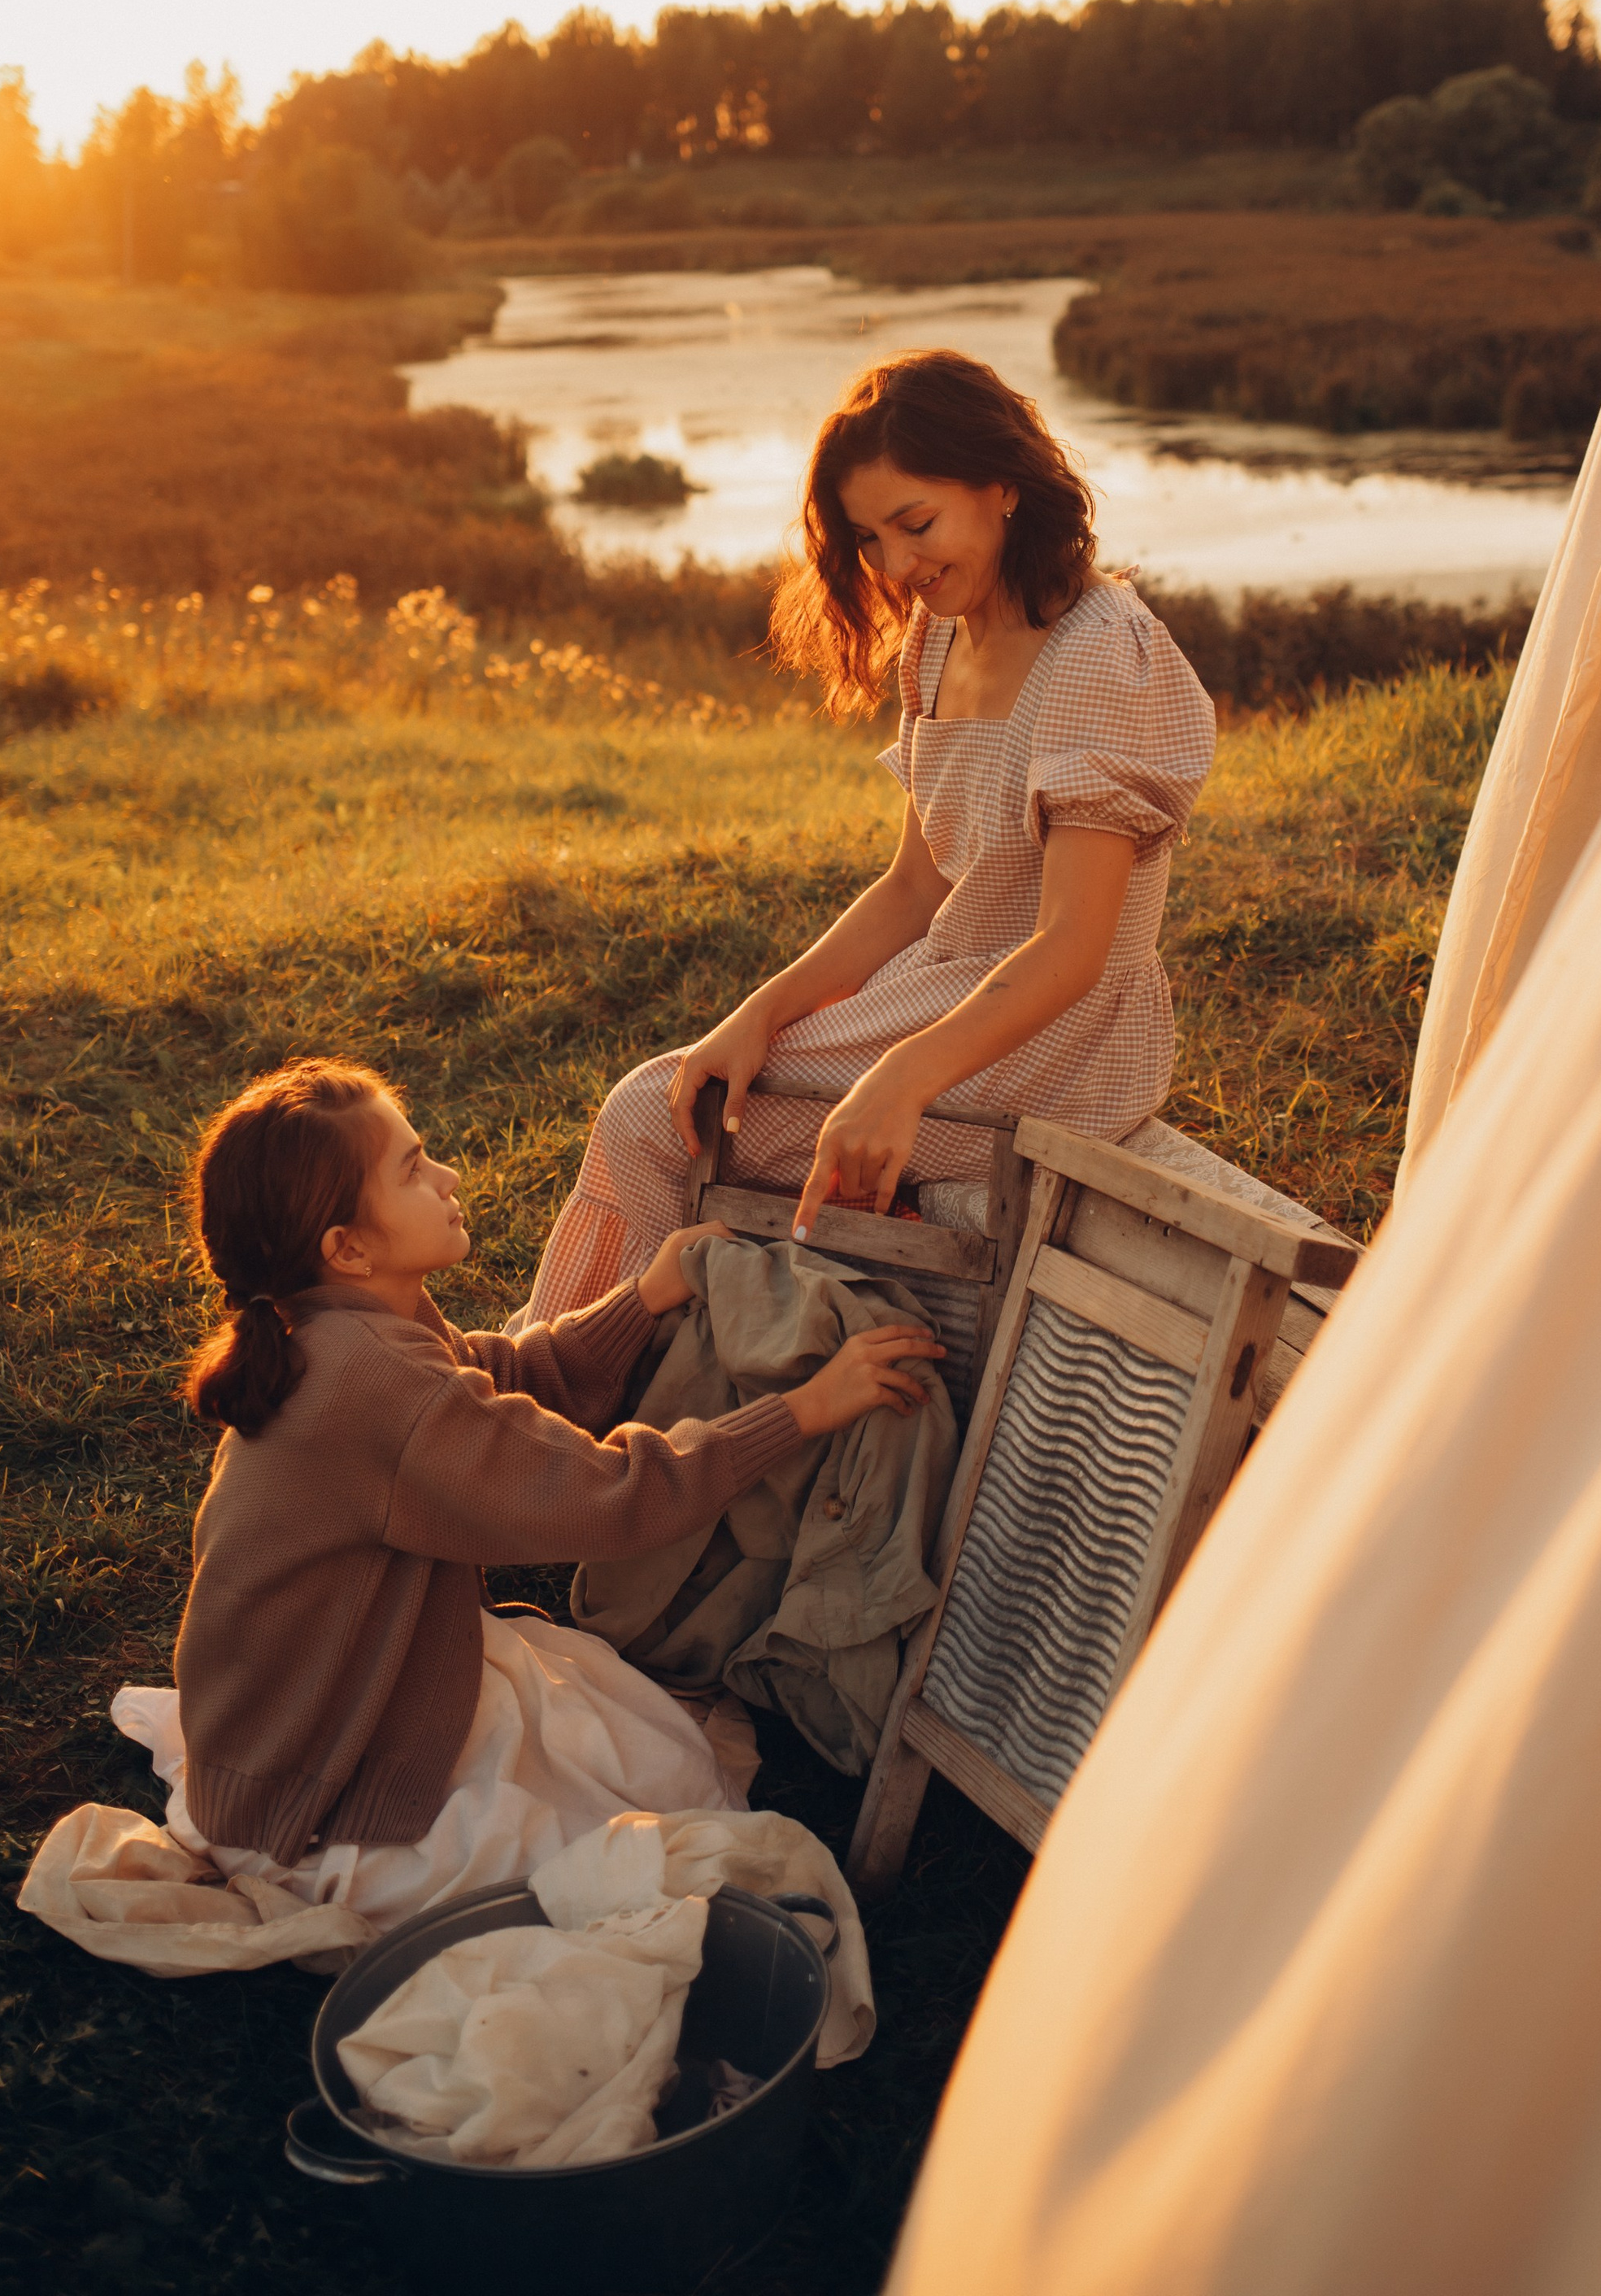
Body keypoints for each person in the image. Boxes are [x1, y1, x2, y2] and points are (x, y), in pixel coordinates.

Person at [115, 1057, 939, 1926]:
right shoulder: (375, 1383)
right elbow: (603, 1495)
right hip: (319, 1781)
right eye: (413, 1169)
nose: (449, 1177)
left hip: (299, 1706)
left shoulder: (337, 1325)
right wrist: (803, 1410)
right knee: (642, 1826)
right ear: (346, 1248)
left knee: (629, 1738)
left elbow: (494, 1382)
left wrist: (642, 1300)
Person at [524, 349, 1217, 1322]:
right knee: (686, 1093)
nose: (895, 566)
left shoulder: (1104, 658)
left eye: (916, 524)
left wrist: (901, 1079)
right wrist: (758, 1015)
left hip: (1061, 1045)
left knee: (651, 1120)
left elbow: (1072, 948)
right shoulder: (940, 637)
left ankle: (546, 1383)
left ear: (1003, 487)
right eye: (868, 539)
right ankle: (575, 1375)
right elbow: (913, 890)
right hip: (944, 996)